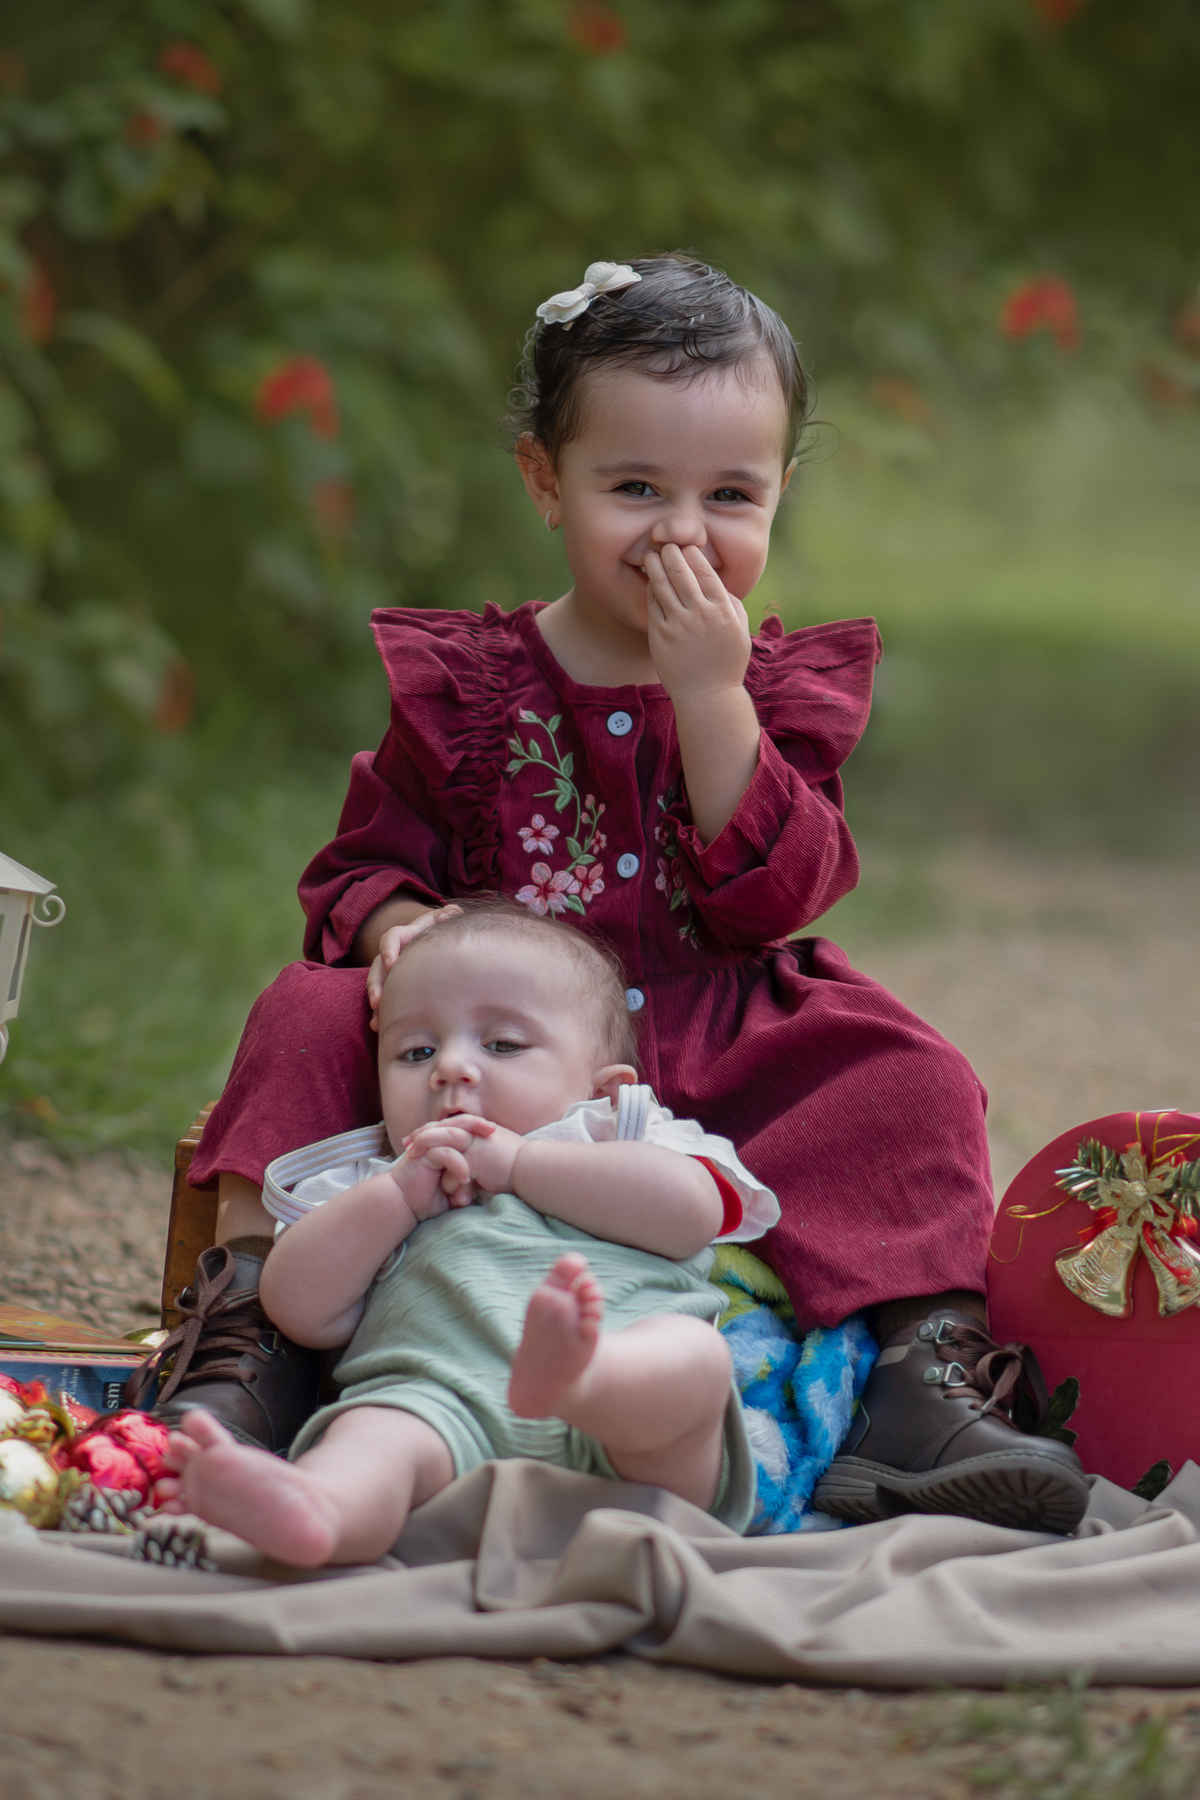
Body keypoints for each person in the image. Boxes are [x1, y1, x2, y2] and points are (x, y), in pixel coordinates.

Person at [140, 253, 1087, 1534]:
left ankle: (916, 1384)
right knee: (305, 1010)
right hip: (498, 1048)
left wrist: (713, 697)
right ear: (546, 481)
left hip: (718, 1040)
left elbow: (779, 896)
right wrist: (399, 926)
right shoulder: (476, 689)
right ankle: (252, 1346)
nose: (682, 532)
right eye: (635, 487)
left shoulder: (772, 688)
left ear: (780, 493)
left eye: (730, 494)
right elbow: (363, 861)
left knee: (906, 1074)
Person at [159, 902, 775, 1564]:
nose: (449, 1067)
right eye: (416, 1051)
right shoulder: (377, 1177)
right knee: (375, 1435)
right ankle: (318, 1512)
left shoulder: (615, 1133)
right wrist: (396, 1197)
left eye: (503, 1045)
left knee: (691, 1356)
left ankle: (585, 1379)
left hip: (634, 1440)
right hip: (443, 1411)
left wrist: (521, 1165)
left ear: (606, 1089)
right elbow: (298, 1307)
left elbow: (692, 1213)